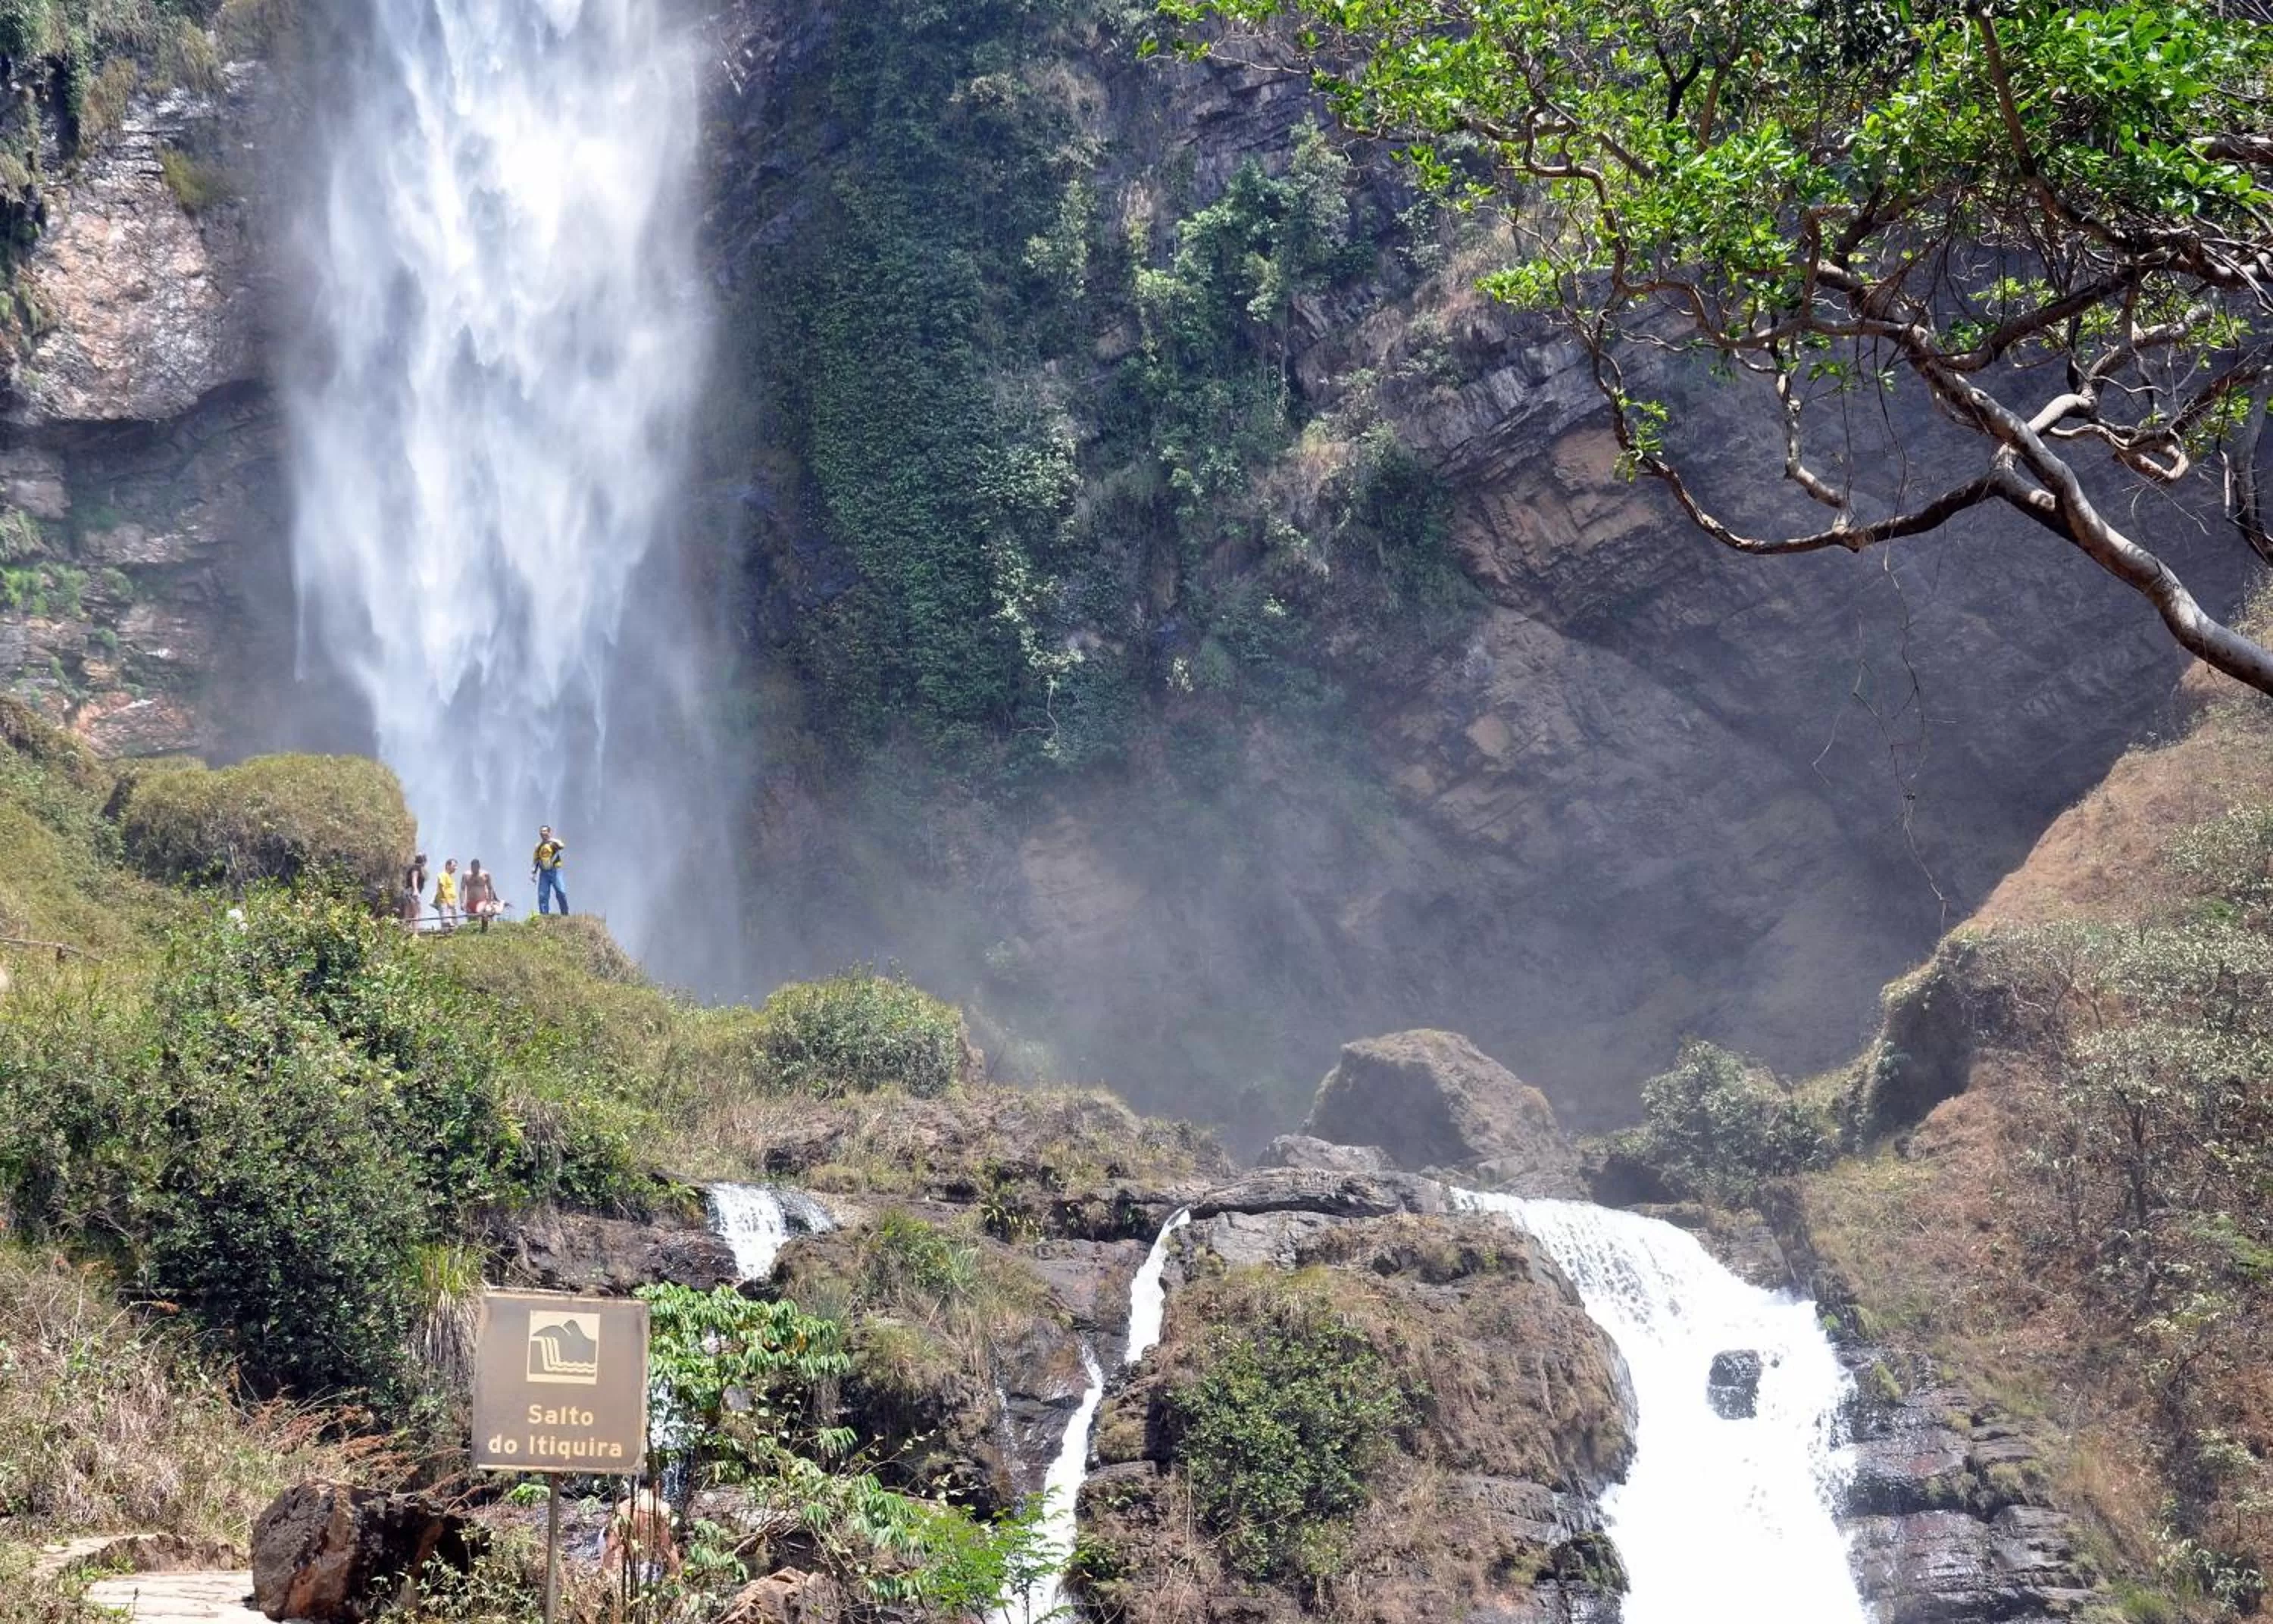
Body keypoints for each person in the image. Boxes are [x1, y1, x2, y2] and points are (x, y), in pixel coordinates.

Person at [531, 825, 568, 916]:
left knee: (561, 892)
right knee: (542, 895)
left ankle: (565, 914)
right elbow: (536, 860)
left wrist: (551, 840)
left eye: (545, 831)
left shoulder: (554, 843)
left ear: (549, 832)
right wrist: (533, 874)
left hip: (555, 871)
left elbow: (562, 846)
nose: (543, 833)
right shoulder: (538, 846)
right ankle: (544, 916)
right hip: (544, 873)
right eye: (541, 831)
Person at [463, 858, 501, 929]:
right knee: (471, 921)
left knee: (479, 913)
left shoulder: (485, 874)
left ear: (479, 867)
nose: (474, 870)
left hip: (481, 901)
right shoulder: (466, 875)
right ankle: (473, 932)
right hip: (470, 901)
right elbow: (462, 889)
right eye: (472, 868)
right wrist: (462, 902)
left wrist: (490, 901)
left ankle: (485, 929)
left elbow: (490, 888)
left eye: (475, 868)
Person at [433, 858, 460, 929]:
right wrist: (448, 901)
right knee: (446, 921)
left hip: (451, 903)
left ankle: (452, 934)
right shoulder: (443, 875)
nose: (456, 868)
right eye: (454, 866)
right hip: (444, 902)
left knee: (453, 922)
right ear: (448, 866)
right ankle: (445, 933)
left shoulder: (450, 876)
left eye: (456, 866)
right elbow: (442, 888)